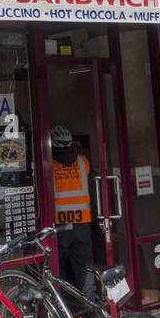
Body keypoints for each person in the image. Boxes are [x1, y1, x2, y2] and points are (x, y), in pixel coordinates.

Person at [50, 124, 97, 301]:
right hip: (82, 225)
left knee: (57, 270)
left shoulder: (48, 165)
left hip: (59, 227)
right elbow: (92, 192)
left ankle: (60, 309)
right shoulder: (83, 162)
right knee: (85, 268)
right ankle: (91, 304)